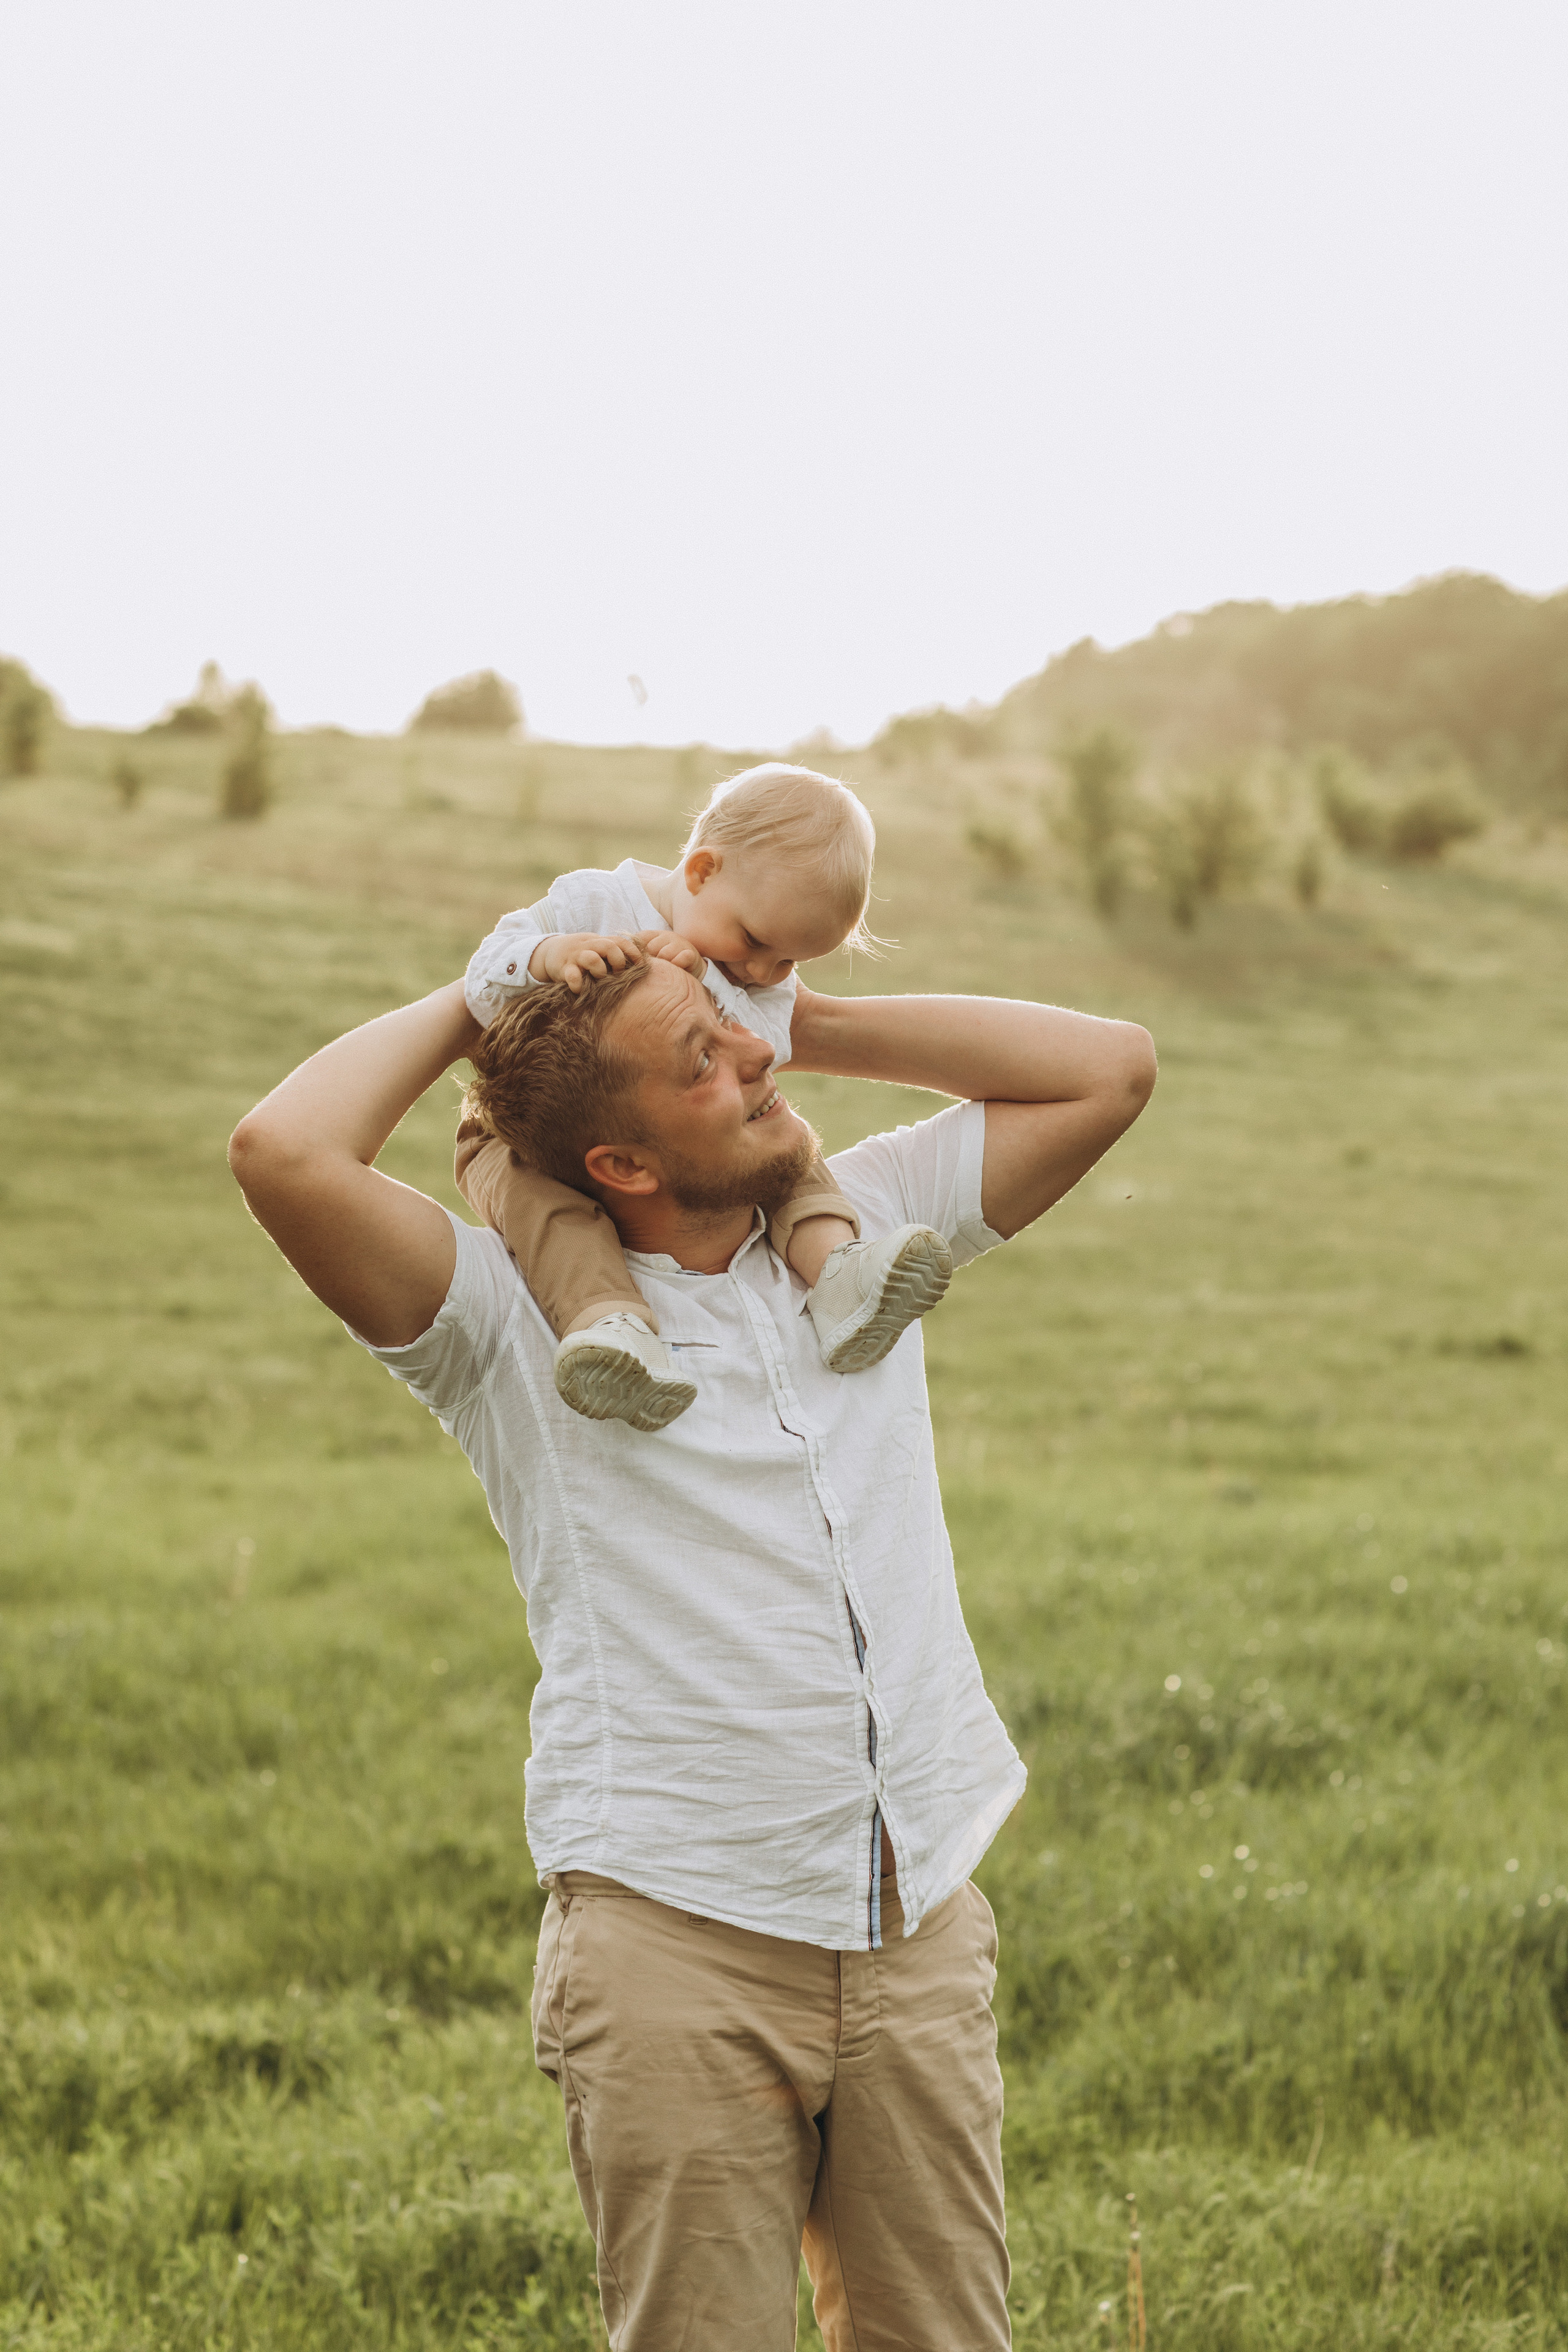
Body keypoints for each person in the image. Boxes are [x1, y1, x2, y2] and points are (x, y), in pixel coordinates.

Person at [227, 945, 1155, 2352]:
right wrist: (481, 995)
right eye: (701, 1063)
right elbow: (283, 1150)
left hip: (913, 1921)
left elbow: (1110, 1066)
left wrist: (797, 1016)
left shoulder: (868, 1236)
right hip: (676, 1950)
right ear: (621, 1161)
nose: (750, 1066)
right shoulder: (498, 1319)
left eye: (737, 1038)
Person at [458, 763, 952, 1433]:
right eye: (753, 942)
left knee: (788, 1158)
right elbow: (482, 981)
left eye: (790, 962)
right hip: (525, 1129)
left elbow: (757, 1049)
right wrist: (550, 954)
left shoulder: (751, 973)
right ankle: (610, 1328)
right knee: (545, 1212)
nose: (762, 973)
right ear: (699, 872)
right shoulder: (589, 902)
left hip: (690, 1126)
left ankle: (837, 1276)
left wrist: (701, 987)